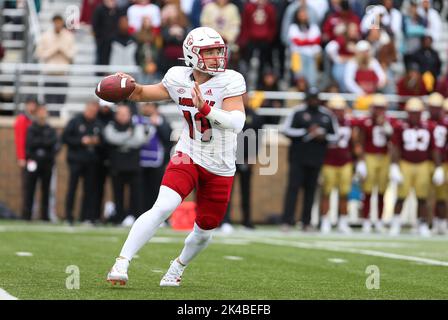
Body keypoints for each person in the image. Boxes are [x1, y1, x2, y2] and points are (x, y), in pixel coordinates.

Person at [106, 27, 246, 287]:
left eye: (218, 51)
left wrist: (205, 108)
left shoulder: (231, 80)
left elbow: (237, 122)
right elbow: (140, 94)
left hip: (221, 165)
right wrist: (126, 85)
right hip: (188, 153)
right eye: (209, 52)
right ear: (192, 55)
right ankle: (122, 261)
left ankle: (178, 265)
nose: (217, 56)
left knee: (204, 232)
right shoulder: (177, 77)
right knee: (164, 206)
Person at [281, 87, 339, 231]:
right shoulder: (297, 112)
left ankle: (306, 222)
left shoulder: (326, 115)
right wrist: (305, 132)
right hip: (298, 158)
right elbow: (285, 129)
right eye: (311, 98)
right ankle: (287, 221)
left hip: (316, 158)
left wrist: (323, 136)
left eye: (315, 98)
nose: (313, 101)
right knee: (293, 189)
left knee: (311, 191)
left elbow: (335, 136)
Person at [389, 97, 443, 237]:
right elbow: (396, 147)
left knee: (422, 198)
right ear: (407, 112)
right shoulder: (400, 126)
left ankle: (422, 223)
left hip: (423, 164)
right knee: (401, 197)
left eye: (417, 112)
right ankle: (396, 223)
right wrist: (394, 166)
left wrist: (438, 167)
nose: (414, 115)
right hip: (405, 163)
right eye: (412, 112)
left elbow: (434, 149)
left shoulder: (429, 126)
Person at [104, 104, 151, 226]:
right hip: (117, 166)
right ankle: (119, 217)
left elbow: (138, 141)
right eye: (120, 114)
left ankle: (136, 217)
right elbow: (112, 138)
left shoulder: (136, 125)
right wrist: (128, 135)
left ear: (129, 114)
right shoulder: (111, 125)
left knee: (136, 194)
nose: (122, 116)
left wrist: (123, 140)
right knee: (117, 194)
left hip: (133, 166)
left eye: (125, 114)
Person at [221, 97, 264, 231]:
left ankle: (246, 220)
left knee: (246, 190)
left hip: (245, 157)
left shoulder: (255, 116)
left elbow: (258, 138)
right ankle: (224, 220)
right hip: (230, 156)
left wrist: (252, 156)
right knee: (227, 190)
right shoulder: (229, 113)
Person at [353, 94, 394, 233]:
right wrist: (361, 161)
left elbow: (393, 140)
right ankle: (366, 220)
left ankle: (380, 221)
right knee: (368, 191)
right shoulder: (365, 121)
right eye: (377, 108)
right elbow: (359, 141)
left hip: (384, 157)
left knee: (382, 192)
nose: (379, 111)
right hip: (369, 157)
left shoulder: (389, 121)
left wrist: (386, 126)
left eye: (381, 108)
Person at [62, 101, 103, 224]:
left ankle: (86, 216)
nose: (92, 112)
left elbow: (103, 141)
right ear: (86, 108)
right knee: (72, 188)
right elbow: (65, 138)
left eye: (95, 110)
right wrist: (81, 141)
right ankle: (68, 216)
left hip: (91, 162)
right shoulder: (75, 121)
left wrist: (96, 141)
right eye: (90, 109)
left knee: (90, 190)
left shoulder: (98, 123)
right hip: (76, 160)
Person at [319, 95, 355, 234]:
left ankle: (343, 221)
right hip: (328, 161)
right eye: (335, 109)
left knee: (344, 194)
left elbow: (354, 142)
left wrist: (356, 161)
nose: (338, 112)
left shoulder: (349, 123)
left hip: (345, 161)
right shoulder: (325, 122)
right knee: (326, 193)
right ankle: (325, 220)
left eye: (340, 109)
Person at [135, 102, 173, 212]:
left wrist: (159, 124)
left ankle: (158, 215)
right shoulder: (137, 119)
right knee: (141, 190)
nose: (145, 108)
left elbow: (167, 138)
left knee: (156, 190)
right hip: (140, 161)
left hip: (157, 162)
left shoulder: (162, 121)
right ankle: (140, 214)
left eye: (148, 105)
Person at [23, 105, 58, 221]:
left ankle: (45, 216)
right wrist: (43, 143)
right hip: (33, 162)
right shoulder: (32, 128)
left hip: (47, 163)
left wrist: (42, 143)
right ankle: (27, 215)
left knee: (46, 189)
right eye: (41, 112)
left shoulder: (50, 129)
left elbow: (54, 144)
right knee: (30, 189)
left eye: (45, 112)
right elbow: (30, 144)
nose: (43, 114)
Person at [35, 14, 76, 105]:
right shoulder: (45, 36)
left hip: (62, 73)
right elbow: (39, 53)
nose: (57, 24)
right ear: (53, 22)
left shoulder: (69, 36)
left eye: (59, 22)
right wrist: (53, 50)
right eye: (56, 22)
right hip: (50, 73)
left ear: (62, 22)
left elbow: (72, 54)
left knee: (61, 99)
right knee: (49, 100)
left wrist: (62, 49)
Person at [426, 93, 448, 235]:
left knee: (443, 196)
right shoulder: (425, 123)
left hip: (445, 162)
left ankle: (443, 223)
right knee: (428, 196)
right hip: (428, 162)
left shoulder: (445, 124)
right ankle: (429, 223)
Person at [14, 97, 38, 216]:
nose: (32, 107)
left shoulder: (34, 119)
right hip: (26, 158)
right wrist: (21, 157)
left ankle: (31, 212)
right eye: (30, 104)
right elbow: (20, 139)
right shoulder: (23, 119)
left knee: (32, 186)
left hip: (34, 158)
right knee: (27, 186)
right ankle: (26, 213)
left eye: (34, 104)